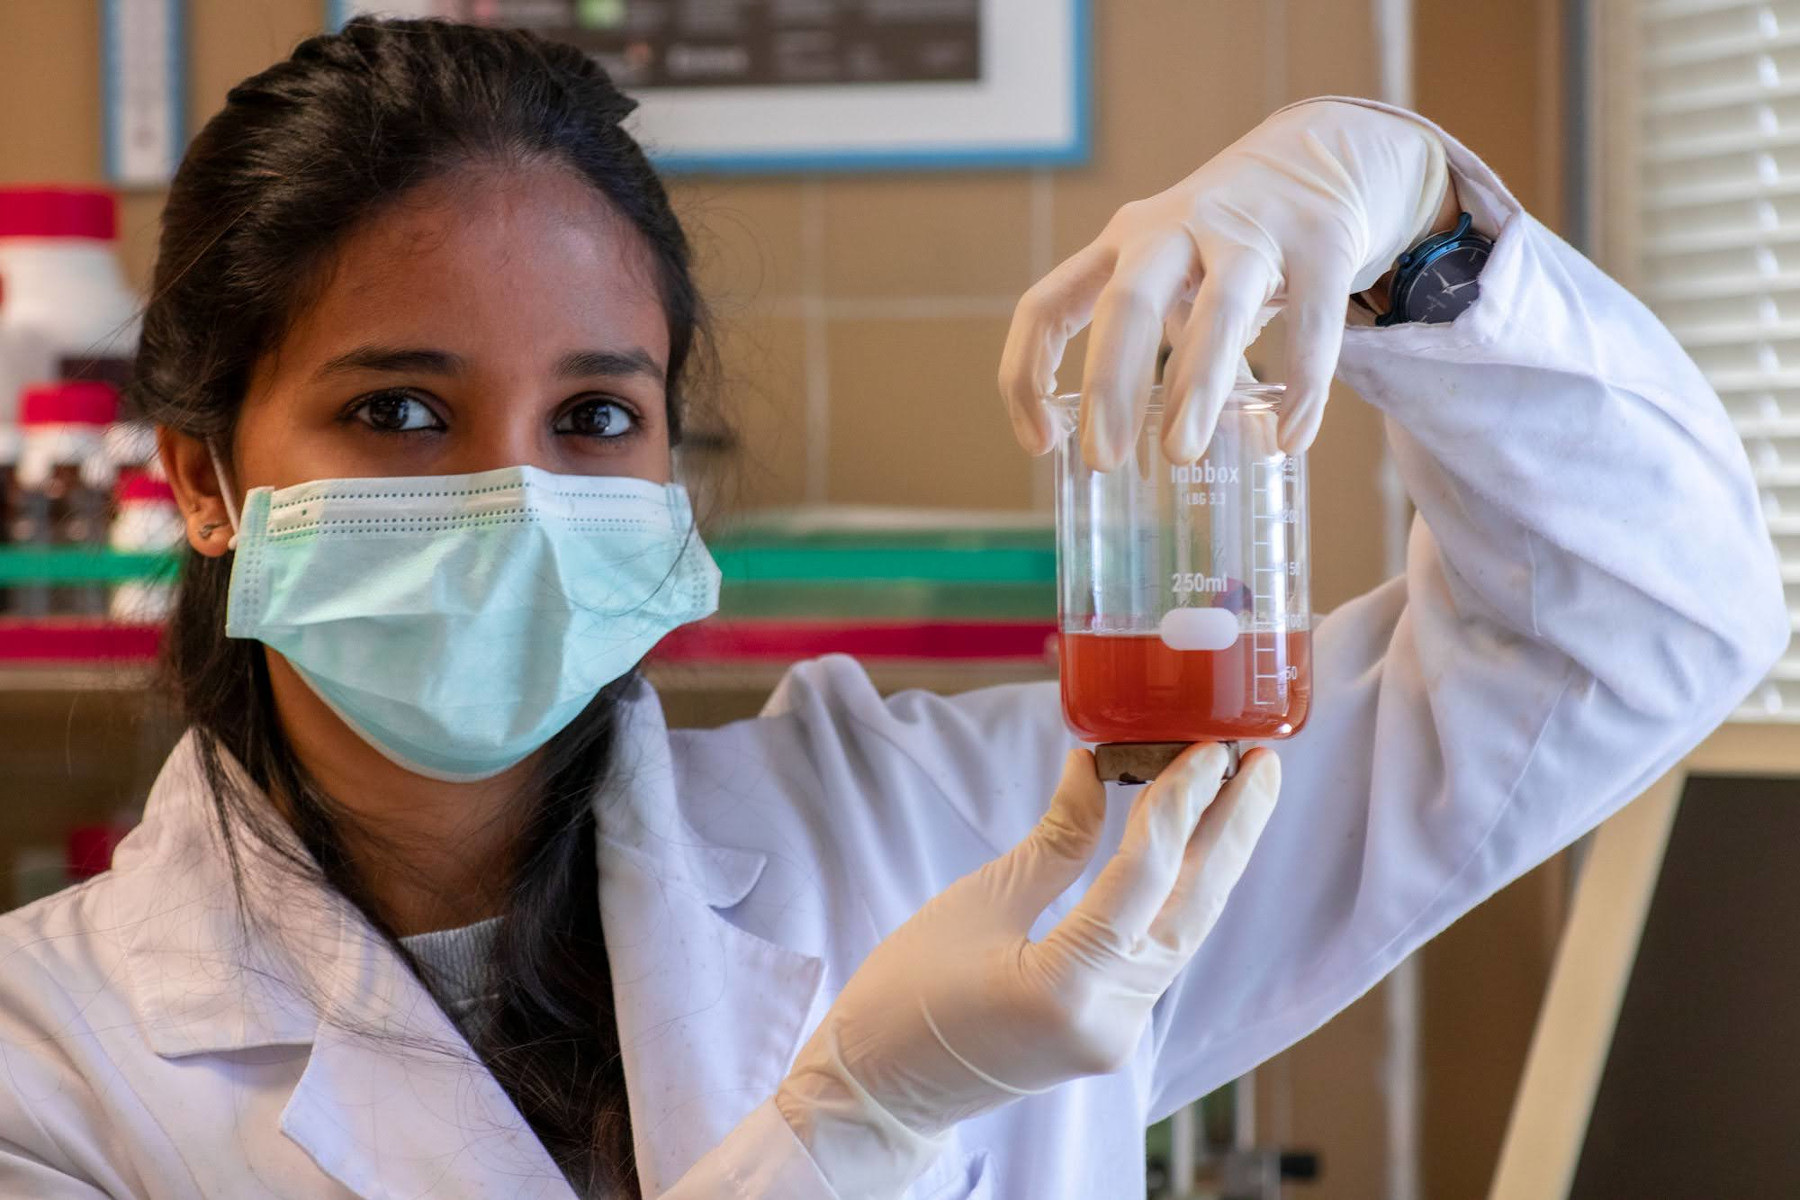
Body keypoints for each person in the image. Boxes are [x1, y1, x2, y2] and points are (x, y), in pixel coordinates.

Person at [0, 17, 1783, 1200]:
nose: (523, 495)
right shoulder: (43, 1067)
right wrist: (854, 1124)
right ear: (205, 477)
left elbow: (1628, 633)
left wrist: (1409, 225)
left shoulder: (971, 841)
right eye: (401, 410)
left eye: (597, 418)